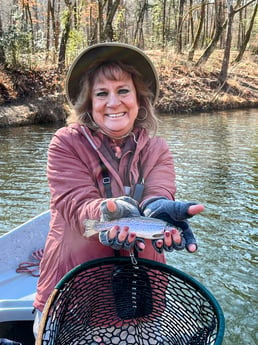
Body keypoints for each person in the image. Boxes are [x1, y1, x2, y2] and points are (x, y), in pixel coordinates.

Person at [33, 42, 204, 339]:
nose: (113, 103)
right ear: (89, 103)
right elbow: (75, 204)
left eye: (123, 90)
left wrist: (159, 207)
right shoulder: (66, 143)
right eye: (102, 93)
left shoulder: (157, 149)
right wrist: (106, 212)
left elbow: (158, 193)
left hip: (143, 295)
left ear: (139, 99)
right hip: (74, 293)